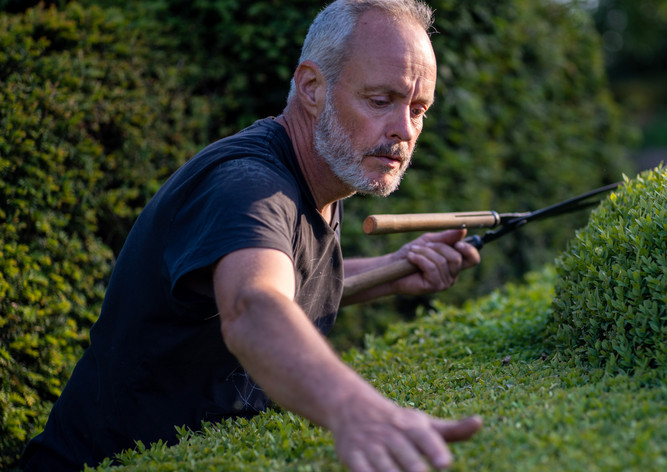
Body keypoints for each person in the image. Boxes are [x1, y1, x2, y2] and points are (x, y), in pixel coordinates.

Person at [19, 0, 483, 471]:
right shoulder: (249, 186)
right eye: (381, 101)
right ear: (311, 87)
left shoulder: (324, 174)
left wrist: (395, 269)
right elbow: (253, 305)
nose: (404, 129)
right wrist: (357, 411)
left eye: (418, 109)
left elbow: (286, 280)